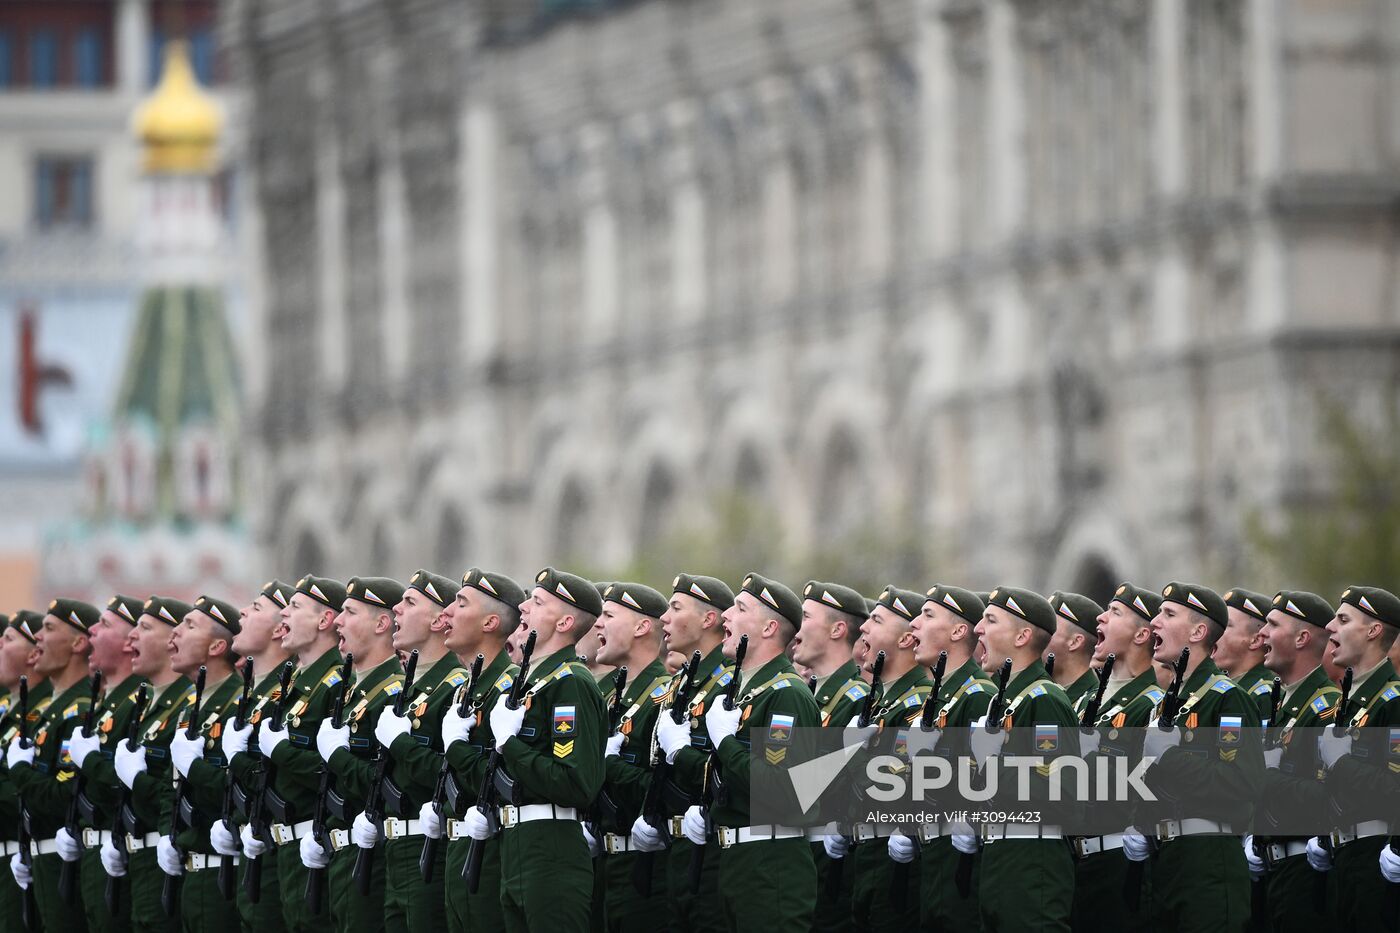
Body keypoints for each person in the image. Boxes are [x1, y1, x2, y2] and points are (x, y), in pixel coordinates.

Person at [457, 567, 607, 933]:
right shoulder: (534, 683)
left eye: (537, 602)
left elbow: (577, 782)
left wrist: (511, 745)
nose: (523, 608)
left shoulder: (571, 682)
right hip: (517, 847)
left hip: (552, 851)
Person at [670, 572, 820, 931]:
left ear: (768, 629)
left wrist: (724, 743)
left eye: (739, 609)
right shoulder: (744, 692)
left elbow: (782, 791)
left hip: (770, 868)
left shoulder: (786, 695)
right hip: (736, 862)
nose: (726, 617)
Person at [1132, 582, 1262, 932]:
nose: (1154, 623)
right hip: (1165, 862)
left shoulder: (1227, 699)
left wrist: (1170, 756)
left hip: (1208, 861)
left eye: (1168, 614)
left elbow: (1242, 782)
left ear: (1199, 631)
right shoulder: (1165, 703)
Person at [223, 575, 348, 933]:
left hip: (310, 841)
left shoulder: (337, 683)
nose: (283, 619)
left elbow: (332, 770)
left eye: (293, 608)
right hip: (275, 843)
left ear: (324, 621)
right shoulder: (290, 686)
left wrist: (260, 756)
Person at [968, 587, 1081, 933]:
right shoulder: (1004, 701)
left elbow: (1057, 787)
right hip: (1001, 855)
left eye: (990, 620)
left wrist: (993, 764)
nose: (977, 629)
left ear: (1022, 636)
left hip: (1033, 859)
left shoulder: (1043, 699)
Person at [358, 570, 465, 933]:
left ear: (438, 620)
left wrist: (400, 744)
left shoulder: (455, 686)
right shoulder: (410, 688)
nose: (396, 610)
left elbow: (451, 773)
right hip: (394, 845)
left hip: (428, 845)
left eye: (409, 602)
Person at [302, 576, 406, 933]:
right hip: (340, 850)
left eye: (349, 612)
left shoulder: (393, 692)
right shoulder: (352, 695)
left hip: (370, 855)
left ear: (381, 624)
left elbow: (387, 783)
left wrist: (338, 758)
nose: (338, 621)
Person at [431, 568, 525, 933]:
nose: (447, 614)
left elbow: (503, 773)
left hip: (494, 854)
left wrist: (454, 747)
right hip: (459, 850)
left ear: (490, 622)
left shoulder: (509, 690)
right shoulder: (465, 690)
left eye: (460, 603)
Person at [1070, 582, 1164, 933]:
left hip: (1119, 862)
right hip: (1077, 862)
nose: (1101, 617)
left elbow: (1147, 782)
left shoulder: (1152, 703)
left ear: (1142, 635)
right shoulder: (1086, 702)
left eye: (1115, 613)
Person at [645, 572, 735, 933]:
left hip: (712, 849)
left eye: (676, 607)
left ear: (708, 619)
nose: (664, 619)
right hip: (677, 848)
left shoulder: (729, 684)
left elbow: (745, 775)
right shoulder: (683, 683)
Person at [903, 584, 994, 933]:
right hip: (935, 861)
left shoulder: (976, 696)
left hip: (961, 866)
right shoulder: (943, 698)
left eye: (927, 616)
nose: (914, 625)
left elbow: (976, 782)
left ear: (958, 631)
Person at [1245, 590, 1338, 932]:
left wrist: (1268, 777)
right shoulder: (1282, 707)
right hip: (1273, 872)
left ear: (1302, 638)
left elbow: (1329, 796)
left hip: (1306, 874)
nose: (1262, 634)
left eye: (1272, 624)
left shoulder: (1326, 708)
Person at [7, 598, 100, 933]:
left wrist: (18, 773)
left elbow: (64, 795)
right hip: (36, 854)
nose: (39, 639)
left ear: (78, 643)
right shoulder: (51, 712)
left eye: (48, 629)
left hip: (64, 859)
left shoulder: (79, 710)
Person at [1313, 586, 1400, 928]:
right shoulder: (1350, 704)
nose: (1331, 628)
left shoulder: (1392, 702)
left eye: (1343, 619)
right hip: (1341, 863)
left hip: (1375, 866)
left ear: (1374, 630)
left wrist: (1341, 762)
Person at [587, 582, 673, 931]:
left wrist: (608, 765)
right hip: (602, 863)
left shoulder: (666, 695)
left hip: (646, 867)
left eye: (608, 615)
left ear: (641, 627)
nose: (597, 625)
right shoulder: (604, 693)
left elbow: (669, 787)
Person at [160, 596, 247, 933]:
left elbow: (240, 783)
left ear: (216, 646)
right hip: (190, 867)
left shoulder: (238, 703)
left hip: (223, 868)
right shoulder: (190, 708)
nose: (175, 635)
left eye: (189, 626)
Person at [848, 586, 931, 932]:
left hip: (895, 869)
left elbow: (893, 786)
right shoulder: (884, 704)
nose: (864, 628)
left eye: (876, 620)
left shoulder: (917, 704)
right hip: (867, 859)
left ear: (906, 640)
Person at [790, 580, 869, 933]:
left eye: (806, 617)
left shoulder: (856, 699)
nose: (796, 627)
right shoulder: (809, 694)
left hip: (833, 866)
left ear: (838, 630)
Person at [66, 595, 148, 933]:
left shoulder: (135, 704)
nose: (93, 631)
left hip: (123, 855)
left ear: (129, 643)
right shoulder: (105, 706)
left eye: (105, 624)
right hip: (93, 854)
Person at [225, 580, 296, 933]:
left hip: (280, 847)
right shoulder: (253, 697)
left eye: (255, 608)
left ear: (280, 628)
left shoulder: (287, 695)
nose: (243, 612)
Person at [0, 611, 52, 930]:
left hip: (26, 851)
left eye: (7, 639)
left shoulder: (40, 714)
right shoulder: (14, 712)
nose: (0, 647)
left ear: (33, 654)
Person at [1219, 589, 1278, 721]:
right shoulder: (1221, 686)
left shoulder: (1264, 696)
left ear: (1256, 640)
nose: (1217, 630)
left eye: (1227, 625)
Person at [1046, 591, 1104, 706]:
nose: (1040, 636)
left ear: (1075, 642)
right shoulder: (1039, 692)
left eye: (1050, 628)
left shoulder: (1093, 704)